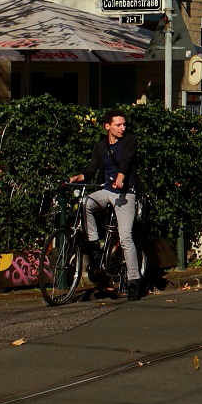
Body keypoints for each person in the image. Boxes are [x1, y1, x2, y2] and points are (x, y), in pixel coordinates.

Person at [69, 110, 142, 300]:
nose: (123, 128)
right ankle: (94, 243)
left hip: (126, 192)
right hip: (107, 190)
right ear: (107, 126)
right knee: (86, 203)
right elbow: (92, 168)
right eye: (118, 125)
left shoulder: (130, 141)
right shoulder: (101, 146)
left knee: (125, 237)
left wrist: (121, 176)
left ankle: (134, 281)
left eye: (124, 124)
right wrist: (81, 176)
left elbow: (126, 160)